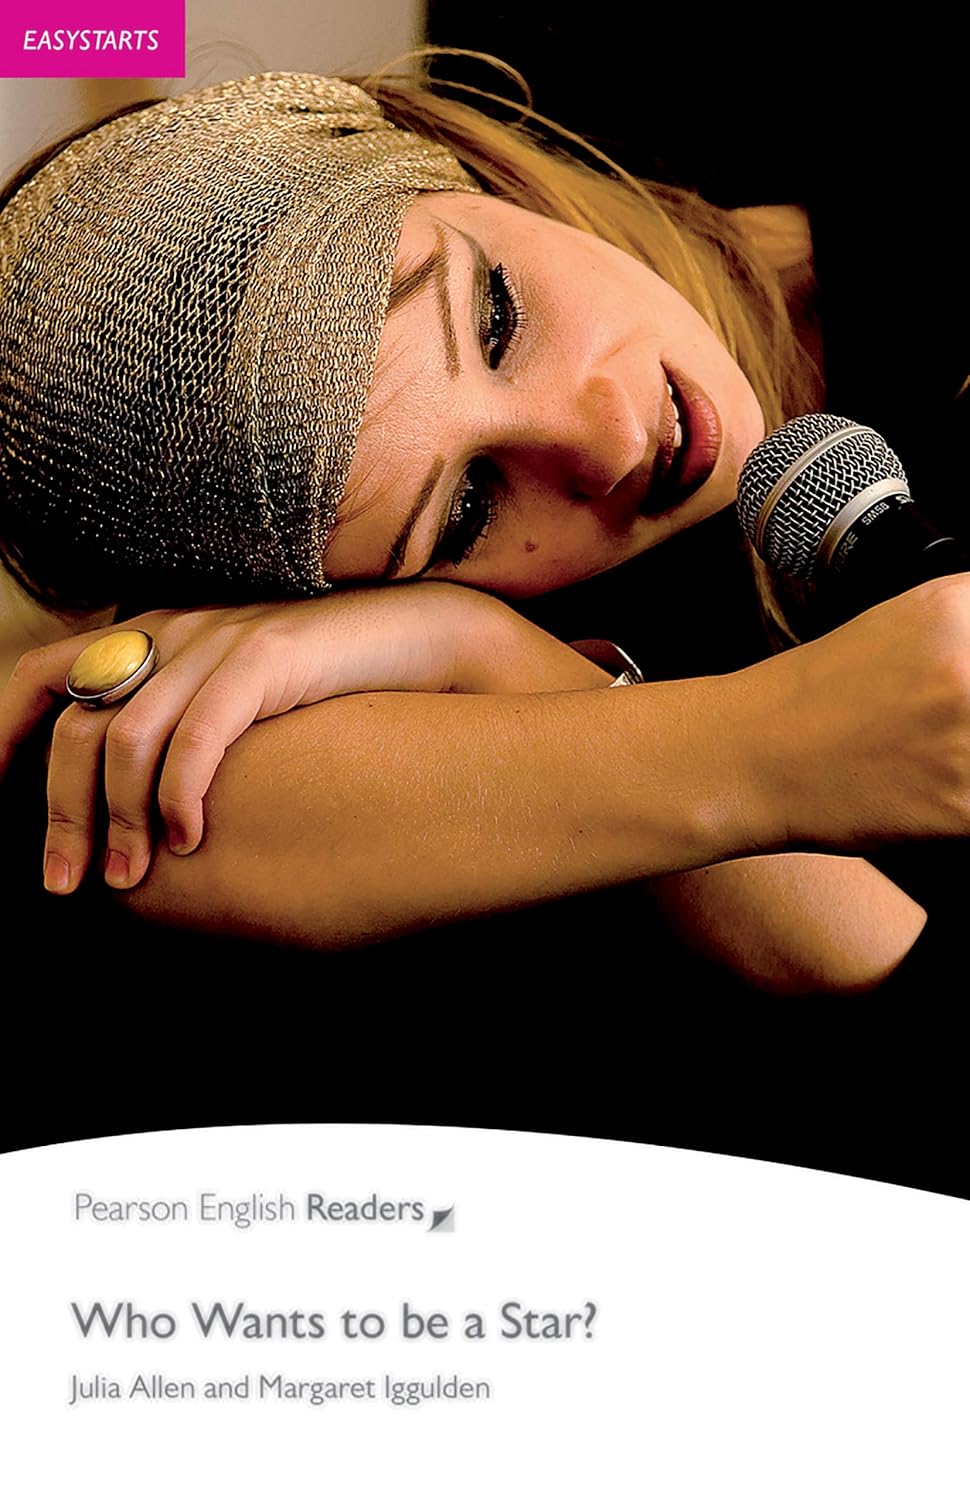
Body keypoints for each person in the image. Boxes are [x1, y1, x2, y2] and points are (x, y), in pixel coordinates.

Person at [0, 68, 967, 996]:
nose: (610, 442)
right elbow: (137, 827)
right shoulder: (512, 613)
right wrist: (487, 652)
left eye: (498, 317)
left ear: (456, 166)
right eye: (467, 508)